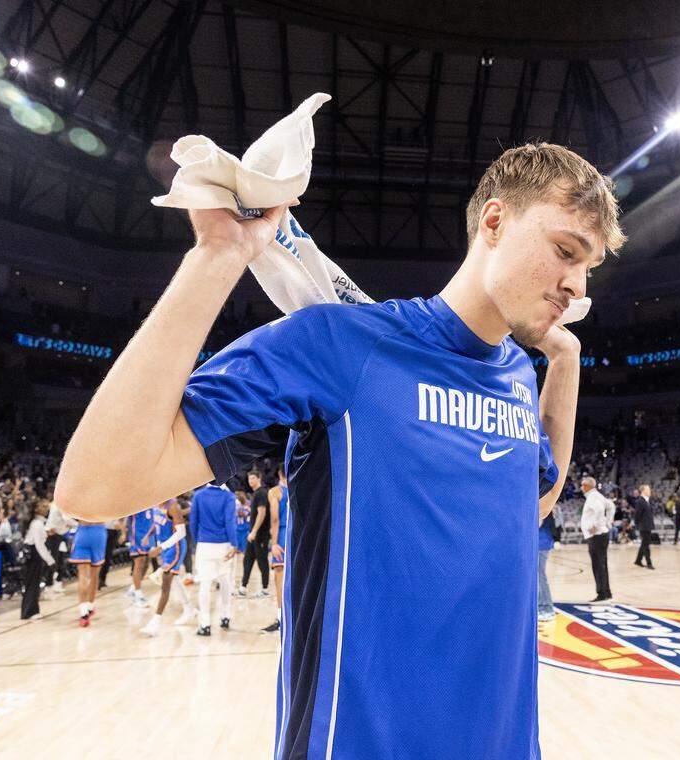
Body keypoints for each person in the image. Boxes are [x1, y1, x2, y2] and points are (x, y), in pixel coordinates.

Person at [56, 140, 618, 758]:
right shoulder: (342, 346)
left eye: (588, 266)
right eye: (566, 251)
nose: (576, 284)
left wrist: (565, 364)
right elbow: (93, 487)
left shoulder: (516, 374)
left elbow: (531, 505)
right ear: (494, 222)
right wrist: (219, 254)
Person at [141, 498, 196, 636]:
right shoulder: (155, 503)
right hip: (165, 548)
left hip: (175, 547)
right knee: (175, 581)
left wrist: (161, 547)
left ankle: (155, 623)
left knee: (165, 584)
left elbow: (181, 533)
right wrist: (149, 535)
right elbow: (157, 523)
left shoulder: (173, 506)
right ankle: (189, 610)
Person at [189, 483, 239, 636]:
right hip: (223, 543)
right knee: (224, 580)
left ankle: (205, 624)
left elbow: (193, 522)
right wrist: (234, 543)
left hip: (204, 544)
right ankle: (225, 616)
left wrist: (198, 540)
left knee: (204, 584)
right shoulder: (229, 496)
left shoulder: (198, 495)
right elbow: (229, 522)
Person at [260, 467, 290, 634]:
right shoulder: (298, 487)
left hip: (282, 536)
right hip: (296, 535)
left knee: (280, 578)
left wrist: (274, 542)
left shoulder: (275, 492)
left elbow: (275, 519)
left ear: (279, 474)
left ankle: (280, 619)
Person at [68, 520, 108, 627]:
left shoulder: (80, 503)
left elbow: (67, 516)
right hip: (98, 532)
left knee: (83, 576)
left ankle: (83, 613)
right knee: (94, 575)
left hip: (83, 532)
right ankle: (90, 606)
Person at [581, 476, 614, 602]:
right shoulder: (597, 496)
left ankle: (602, 594)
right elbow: (611, 506)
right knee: (602, 565)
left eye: (583, 484)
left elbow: (600, 510)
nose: (581, 487)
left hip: (597, 536)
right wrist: (608, 521)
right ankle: (607, 592)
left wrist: (595, 525)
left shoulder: (593, 496)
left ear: (589, 486)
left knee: (598, 565)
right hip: (600, 535)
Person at [20, 500, 55, 620]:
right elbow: (39, 544)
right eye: (43, 506)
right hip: (34, 557)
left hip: (35, 556)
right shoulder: (37, 524)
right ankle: (29, 612)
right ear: (37, 509)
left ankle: (33, 610)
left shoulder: (38, 523)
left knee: (34, 584)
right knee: (32, 584)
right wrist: (50, 560)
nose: (46, 509)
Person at [239, 469, 271, 598]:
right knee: (247, 560)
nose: (250, 481)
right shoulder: (255, 494)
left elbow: (262, 512)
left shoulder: (262, 493)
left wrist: (254, 531)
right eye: (249, 479)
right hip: (253, 535)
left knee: (262, 561)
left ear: (259, 478)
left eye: (253, 478)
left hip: (260, 535)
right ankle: (243, 587)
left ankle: (264, 589)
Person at [125, 506, 157, 607]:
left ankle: (133, 589)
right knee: (139, 562)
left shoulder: (152, 501)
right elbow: (125, 519)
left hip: (149, 534)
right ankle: (137, 595)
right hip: (137, 536)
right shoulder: (135, 501)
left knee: (146, 563)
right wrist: (123, 533)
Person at [538, 511, 557, 622]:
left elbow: (538, 523)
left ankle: (547, 608)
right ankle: (541, 607)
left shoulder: (542, 505)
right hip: (540, 542)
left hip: (542, 543)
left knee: (540, 576)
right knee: (538, 577)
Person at [632, 484, 656, 569]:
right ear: (643, 491)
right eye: (648, 489)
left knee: (644, 544)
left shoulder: (648, 501)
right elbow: (637, 515)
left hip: (648, 525)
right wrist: (638, 524)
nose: (650, 491)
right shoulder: (640, 501)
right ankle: (649, 563)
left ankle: (638, 560)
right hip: (643, 526)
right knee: (646, 545)